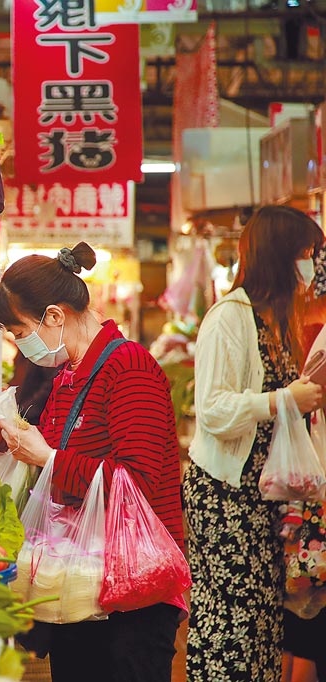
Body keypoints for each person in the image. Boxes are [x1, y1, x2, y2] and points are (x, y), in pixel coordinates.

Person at [0, 242, 185, 682]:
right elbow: (56, 450)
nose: (19, 344)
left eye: (18, 331)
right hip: (84, 585)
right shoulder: (72, 375)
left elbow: (140, 484)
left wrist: (51, 458)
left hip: (130, 595)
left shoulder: (130, 369)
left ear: (54, 317)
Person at [184, 204, 324, 682]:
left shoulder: (273, 323)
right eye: (305, 254)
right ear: (279, 257)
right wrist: (284, 399)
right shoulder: (229, 319)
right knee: (232, 625)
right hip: (225, 498)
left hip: (260, 498)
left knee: (263, 624)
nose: (311, 266)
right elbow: (215, 410)